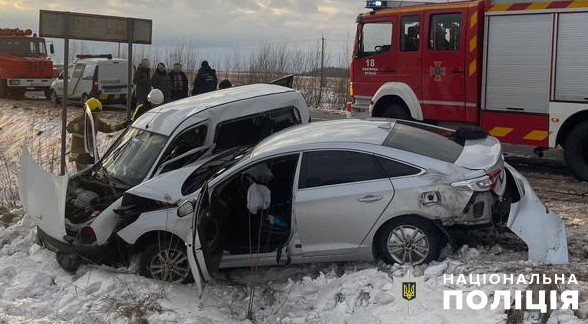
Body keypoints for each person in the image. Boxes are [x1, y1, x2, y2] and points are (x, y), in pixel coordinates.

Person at [67, 98, 127, 171]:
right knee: (84, 173)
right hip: (80, 154)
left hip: (90, 150)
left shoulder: (95, 121)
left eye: (97, 114)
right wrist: (82, 125)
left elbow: (107, 128)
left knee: (96, 169)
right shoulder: (80, 119)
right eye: (94, 114)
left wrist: (123, 125)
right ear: (87, 111)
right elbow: (69, 128)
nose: (95, 116)